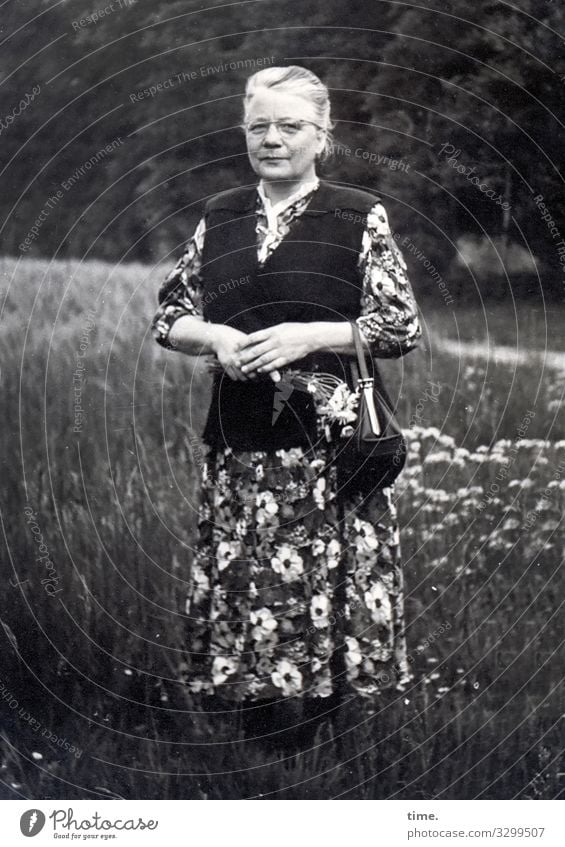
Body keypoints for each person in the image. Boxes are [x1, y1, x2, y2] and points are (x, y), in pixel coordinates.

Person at [151, 65, 422, 750]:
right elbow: (169, 316)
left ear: (321, 135)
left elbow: (399, 326)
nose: (272, 139)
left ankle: (314, 731)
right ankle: (252, 722)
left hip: (330, 444)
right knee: (247, 575)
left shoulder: (358, 213)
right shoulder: (221, 215)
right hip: (239, 437)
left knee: (323, 576)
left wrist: (312, 335)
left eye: (290, 125)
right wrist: (212, 335)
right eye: (258, 126)